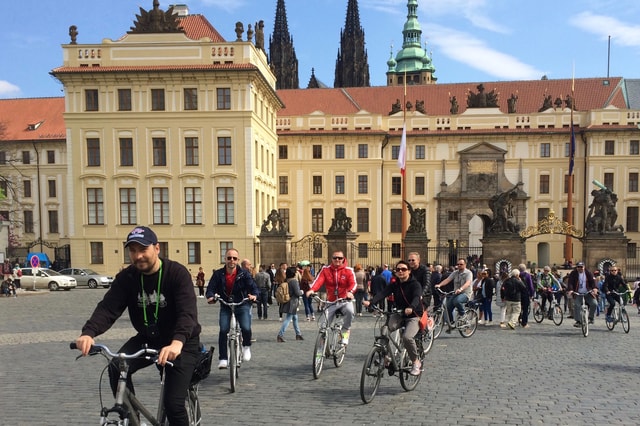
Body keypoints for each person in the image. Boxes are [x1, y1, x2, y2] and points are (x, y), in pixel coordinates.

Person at [74, 226, 201, 426]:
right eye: (132, 251)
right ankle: (132, 420)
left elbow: (188, 314)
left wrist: (177, 343)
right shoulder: (128, 277)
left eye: (143, 250)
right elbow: (108, 308)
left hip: (182, 342)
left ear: (157, 248)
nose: (138, 256)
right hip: (149, 338)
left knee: (173, 404)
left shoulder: (177, 274)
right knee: (116, 366)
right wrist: (88, 333)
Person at [363, 260, 423, 376]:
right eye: (398, 269)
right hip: (399, 314)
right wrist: (371, 302)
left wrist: (411, 307)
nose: (400, 271)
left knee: (407, 337)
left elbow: (417, 297)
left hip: (414, 315)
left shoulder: (415, 284)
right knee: (384, 331)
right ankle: (386, 356)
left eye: (404, 269)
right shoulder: (395, 284)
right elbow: (383, 293)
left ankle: (416, 362)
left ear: (409, 271)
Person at [206, 248, 259, 369]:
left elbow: (254, 287)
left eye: (234, 258)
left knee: (246, 327)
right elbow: (210, 288)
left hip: (242, 304)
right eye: (229, 258)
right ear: (225, 259)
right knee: (223, 330)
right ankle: (223, 358)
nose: (231, 260)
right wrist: (210, 296)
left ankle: (246, 346)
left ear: (238, 260)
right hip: (226, 305)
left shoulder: (244, 274)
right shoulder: (218, 274)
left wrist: (254, 295)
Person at [305, 250, 357, 345]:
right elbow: (319, 281)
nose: (337, 259)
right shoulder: (326, 269)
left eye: (340, 258)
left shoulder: (349, 270)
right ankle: (321, 348)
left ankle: (345, 333)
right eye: (335, 258)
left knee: (350, 312)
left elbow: (353, 283)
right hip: (331, 301)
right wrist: (312, 290)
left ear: (343, 259)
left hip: (344, 300)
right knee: (323, 325)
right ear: (331, 259)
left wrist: (350, 292)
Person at [434, 258, 473, 333]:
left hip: (465, 293)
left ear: (465, 265)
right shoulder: (455, 273)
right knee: (448, 306)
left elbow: (468, 283)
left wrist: (461, 289)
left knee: (457, 301)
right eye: (458, 264)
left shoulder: (468, 273)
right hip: (456, 293)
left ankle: (463, 314)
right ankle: (451, 323)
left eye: (461, 264)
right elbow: (448, 280)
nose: (459, 265)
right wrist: (439, 285)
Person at [566, 261, 598, 327]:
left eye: (581, 267)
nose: (580, 268)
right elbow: (570, 282)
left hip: (588, 292)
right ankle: (578, 321)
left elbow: (592, 281)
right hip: (578, 293)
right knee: (576, 305)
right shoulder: (573, 273)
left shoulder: (588, 273)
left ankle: (591, 318)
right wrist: (571, 290)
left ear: (584, 267)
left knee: (594, 303)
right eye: (578, 267)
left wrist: (595, 288)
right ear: (576, 267)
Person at [277, 266, 304, 342]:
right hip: (293, 302)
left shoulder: (287, 280)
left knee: (295, 318)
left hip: (288, 301)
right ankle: (280, 335)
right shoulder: (294, 281)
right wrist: (302, 292)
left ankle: (298, 334)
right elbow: (297, 293)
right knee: (289, 319)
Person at [518, 264, 535, 328]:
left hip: (518, 294)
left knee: (518, 307)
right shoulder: (527, 275)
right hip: (525, 293)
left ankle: (519, 320)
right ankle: (524, 323)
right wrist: (531, 294)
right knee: (525, 309)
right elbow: (531, 286)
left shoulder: (517, 275)